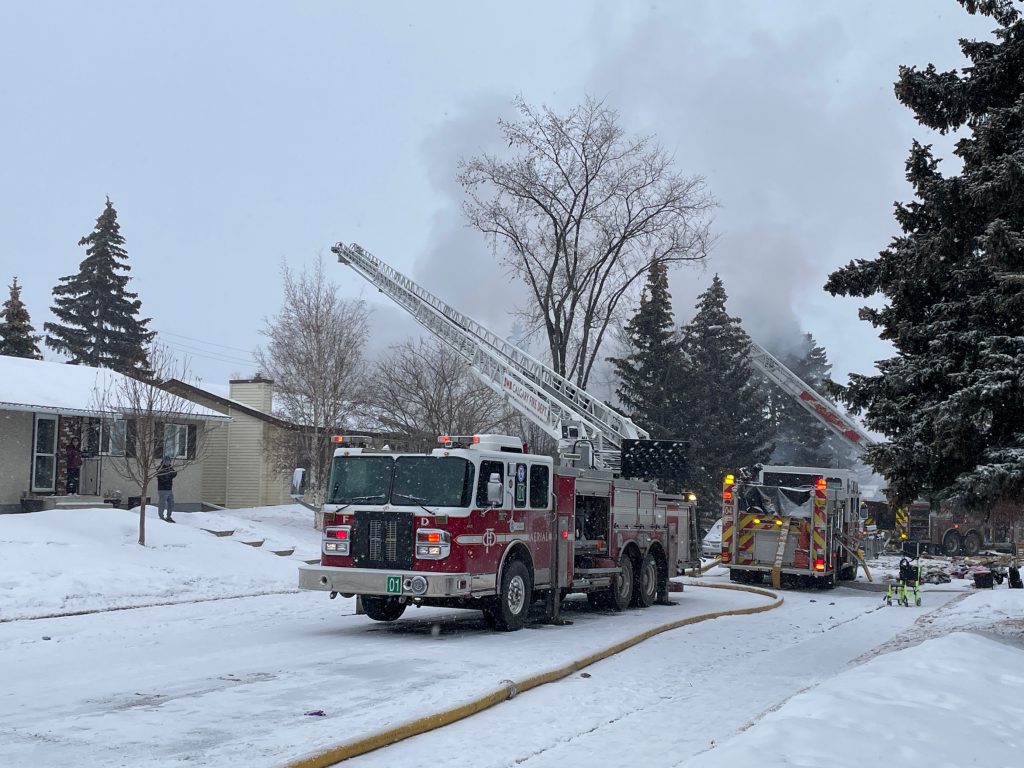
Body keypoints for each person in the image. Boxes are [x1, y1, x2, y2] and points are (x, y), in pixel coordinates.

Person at [156, 455, 178, 523]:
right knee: (162, 504)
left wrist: (170, 475)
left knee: (171, 503)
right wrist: (169, 475)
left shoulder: (170, 468)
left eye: (168, 461)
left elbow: (174, 473)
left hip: (169, 489)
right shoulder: (160, 468)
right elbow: (162, 478)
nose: (167, 462)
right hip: (162, 489)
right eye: (166, 461)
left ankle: (168, 517)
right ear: (163, 461)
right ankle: (161, 518)